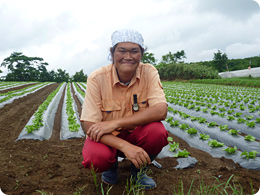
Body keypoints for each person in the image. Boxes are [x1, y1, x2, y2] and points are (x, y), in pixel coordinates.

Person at [80, 29, 169, 190]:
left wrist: (115, 123)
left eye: (134, 51)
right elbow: (89, 125)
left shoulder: (149, 72)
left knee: (157, 132)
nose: (128, 57)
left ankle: (138, 170)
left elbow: (161, 110)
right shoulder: (97, 78)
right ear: (112, 52)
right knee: (95, 157)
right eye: (122, 50)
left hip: (136, 134)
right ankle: (110, 168)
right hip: (108, 138)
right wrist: (125, 146)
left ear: (141, 53)